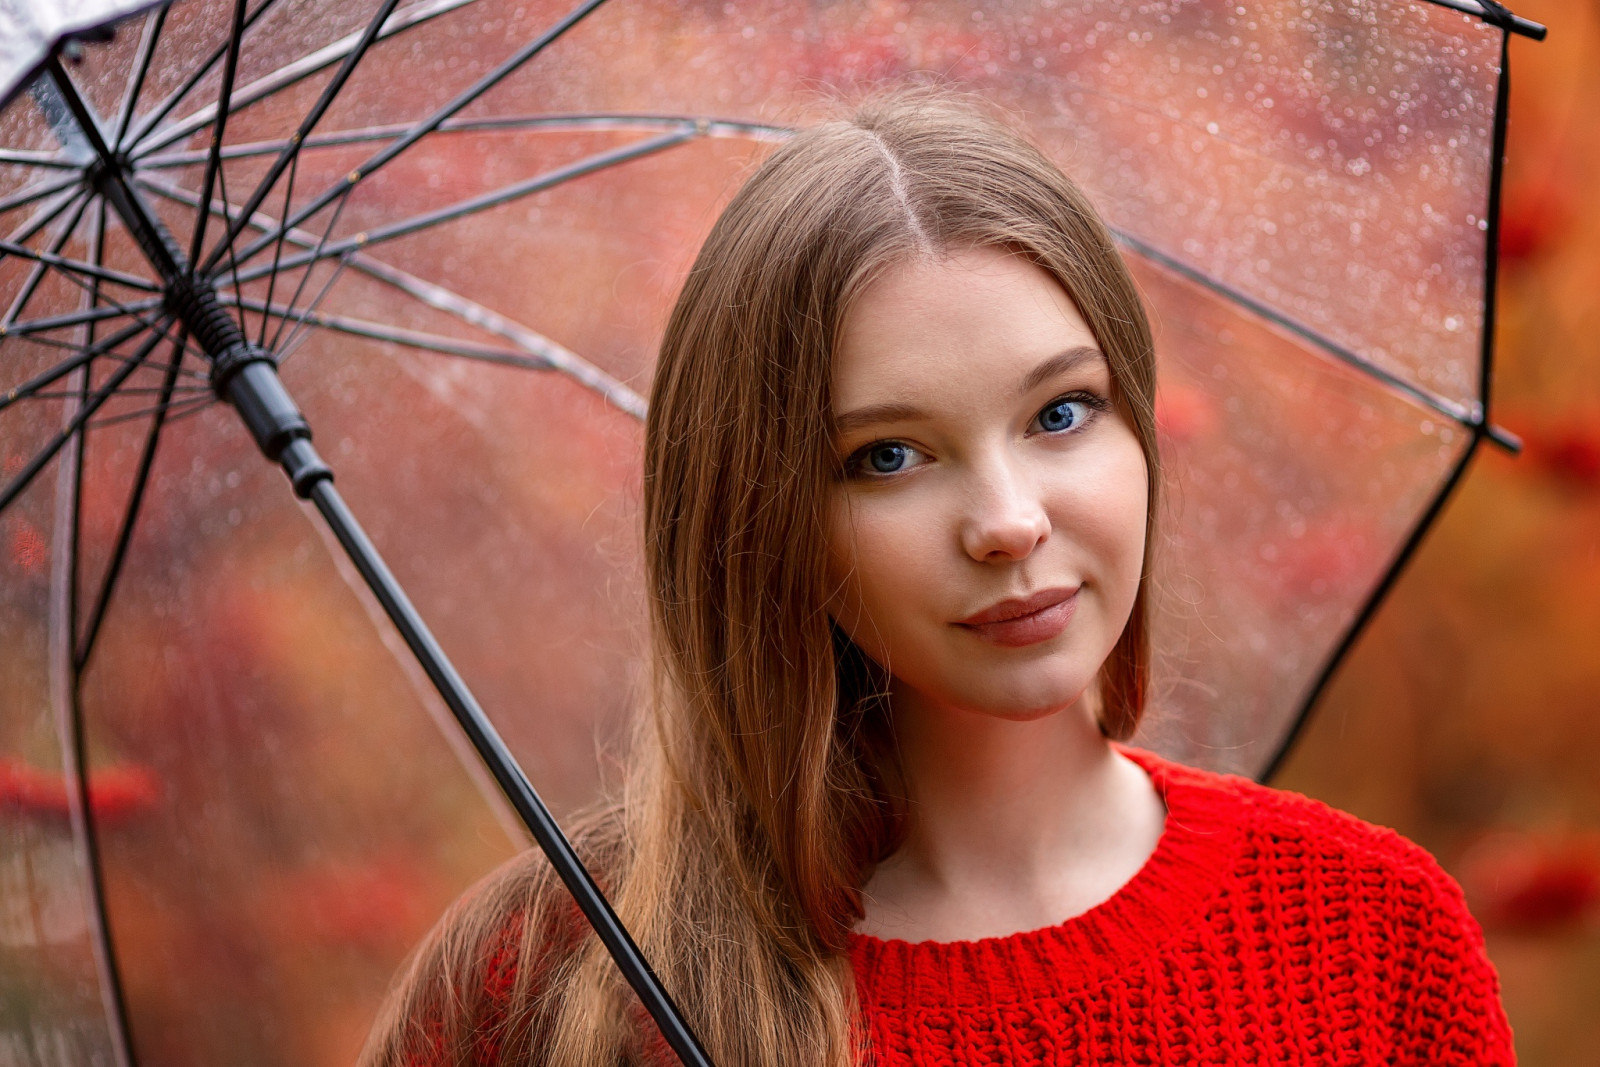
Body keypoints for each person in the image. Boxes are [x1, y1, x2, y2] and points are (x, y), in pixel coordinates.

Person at [359, 90, 1514, 1067]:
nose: (1009, 523)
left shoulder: (1367, 936)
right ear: (761, 518)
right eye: (888, 456)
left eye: (1062, 411)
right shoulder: (555, 986)